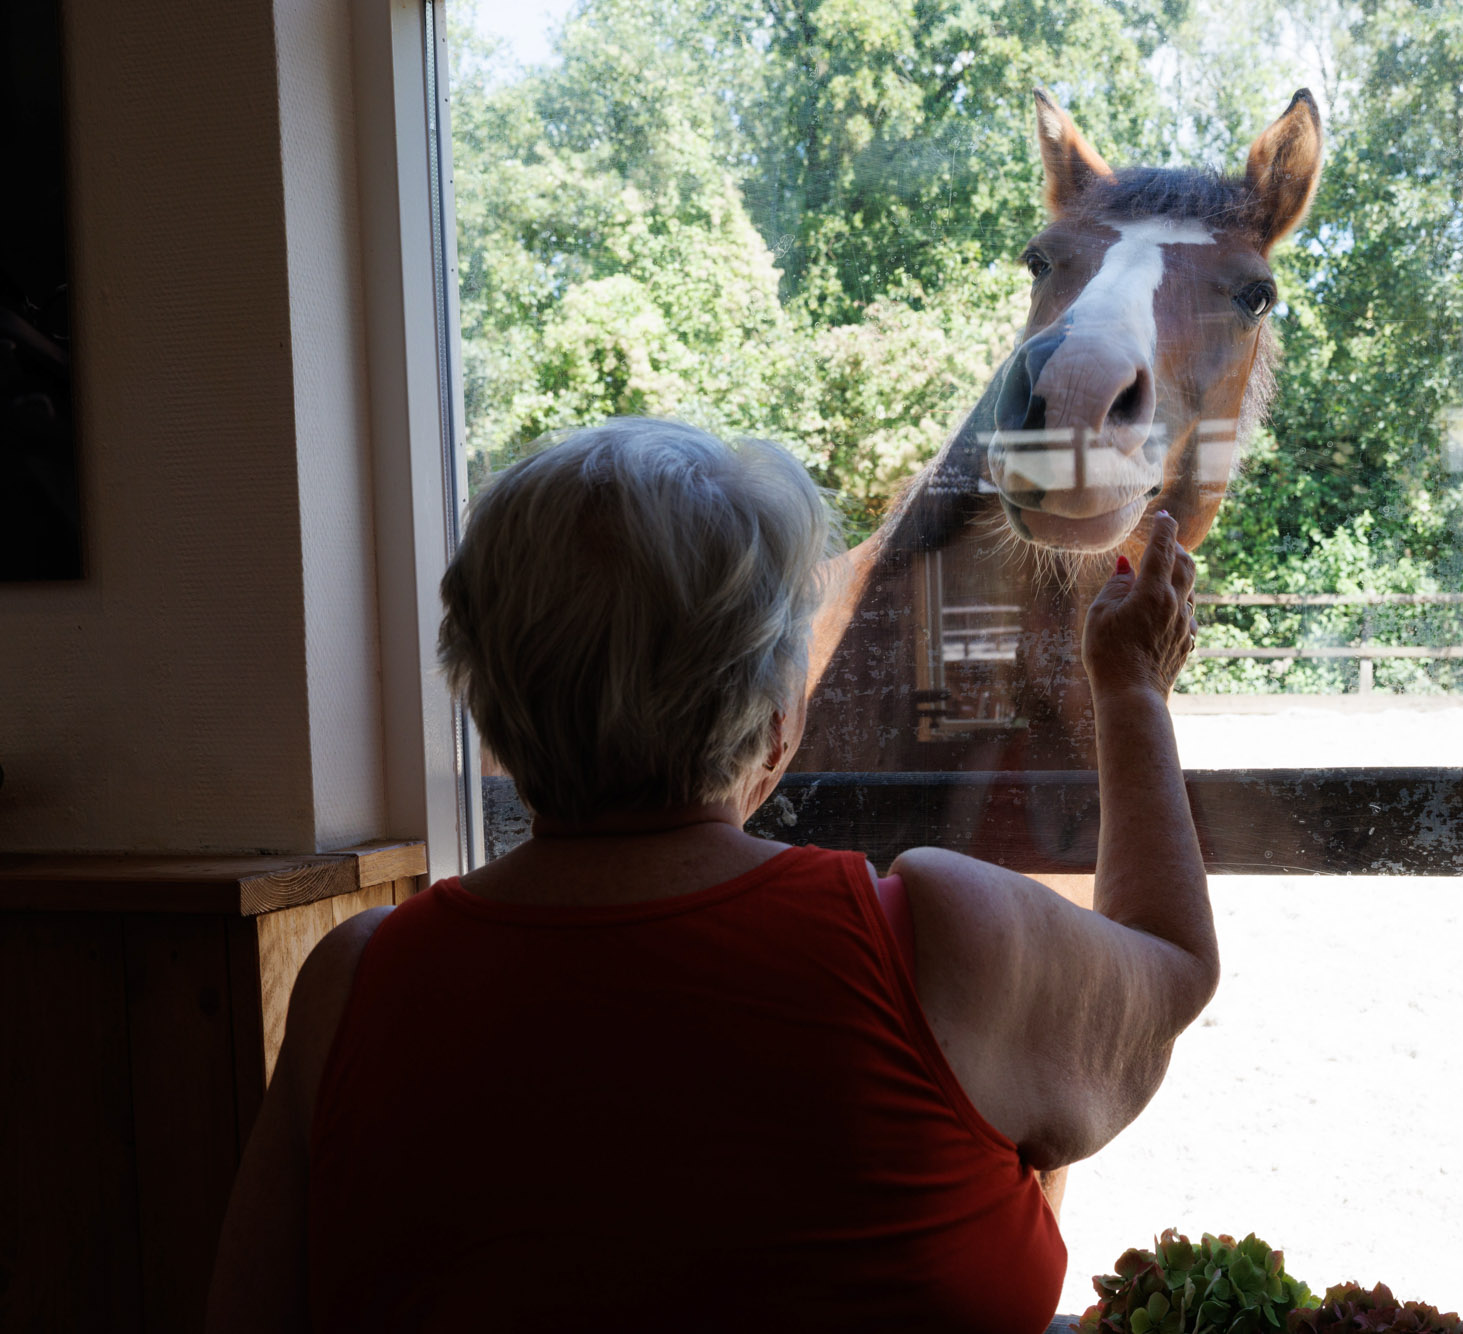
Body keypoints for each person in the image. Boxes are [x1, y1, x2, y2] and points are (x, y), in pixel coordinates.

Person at [205, 418, 1215, 1333]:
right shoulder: (940, 941)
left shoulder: (355, 980)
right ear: (778, 710)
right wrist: (1130, 688)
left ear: (488, 703)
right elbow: (1167, 967)